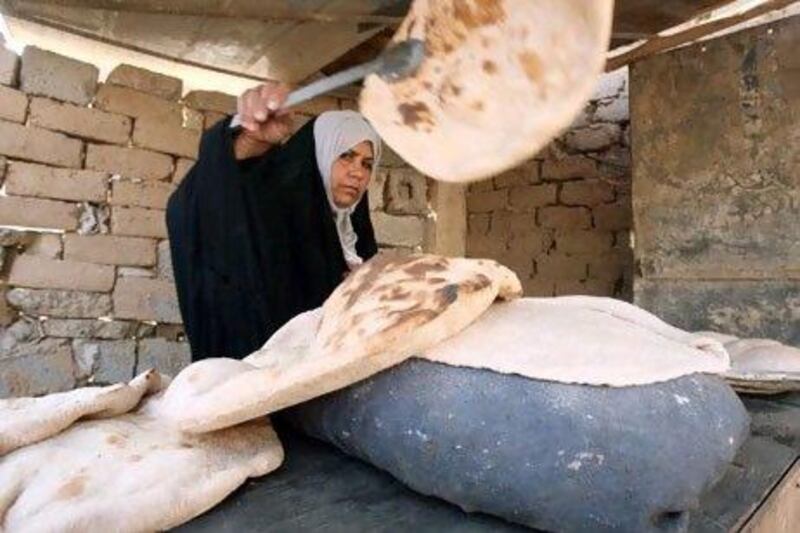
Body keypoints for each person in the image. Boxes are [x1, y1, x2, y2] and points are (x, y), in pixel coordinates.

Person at [166, 82, 382, 361]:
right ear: (321, 154)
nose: (357, 173)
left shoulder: (355, 237)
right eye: (346, 156)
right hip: (255, 384)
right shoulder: (273, 214)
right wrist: (249, 142)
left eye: (367, 163)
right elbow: (198, 208)